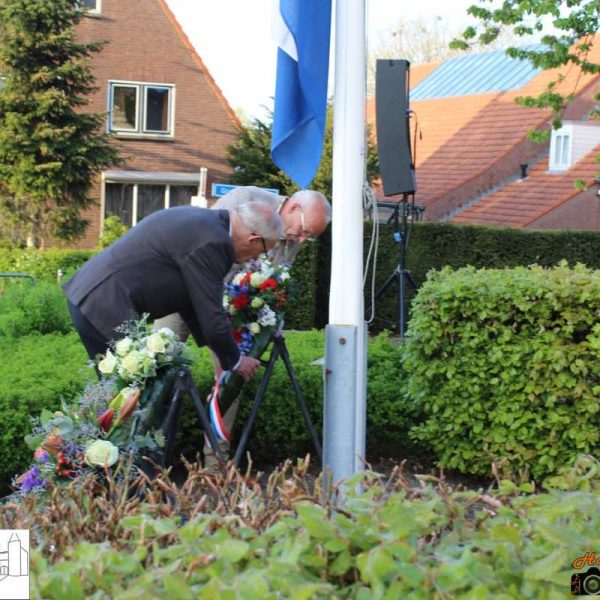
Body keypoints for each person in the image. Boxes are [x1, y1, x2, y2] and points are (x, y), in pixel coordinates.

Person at [154, 185, 332, 466]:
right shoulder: (242, 200)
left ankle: (215, 465)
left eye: (309, 236)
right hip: (184, 292)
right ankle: (142, 455)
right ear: (293, 208)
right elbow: (201, 248)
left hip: (231, 310)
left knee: (231, 376)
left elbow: (275, 281)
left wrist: (268, 318)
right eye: (304, 231)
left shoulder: (294, 234)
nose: (302, 239)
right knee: (156, 366)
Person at [63, 201, 284, 382]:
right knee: (130, 394)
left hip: (99, 298)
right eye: (263, 251)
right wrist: (235, 361)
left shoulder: (207, 225)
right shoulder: (214, 242)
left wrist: (223, 354)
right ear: (253, 239)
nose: (256, 259)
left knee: (139, 392)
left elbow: (192, 302)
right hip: (103, 303)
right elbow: (210, 311)